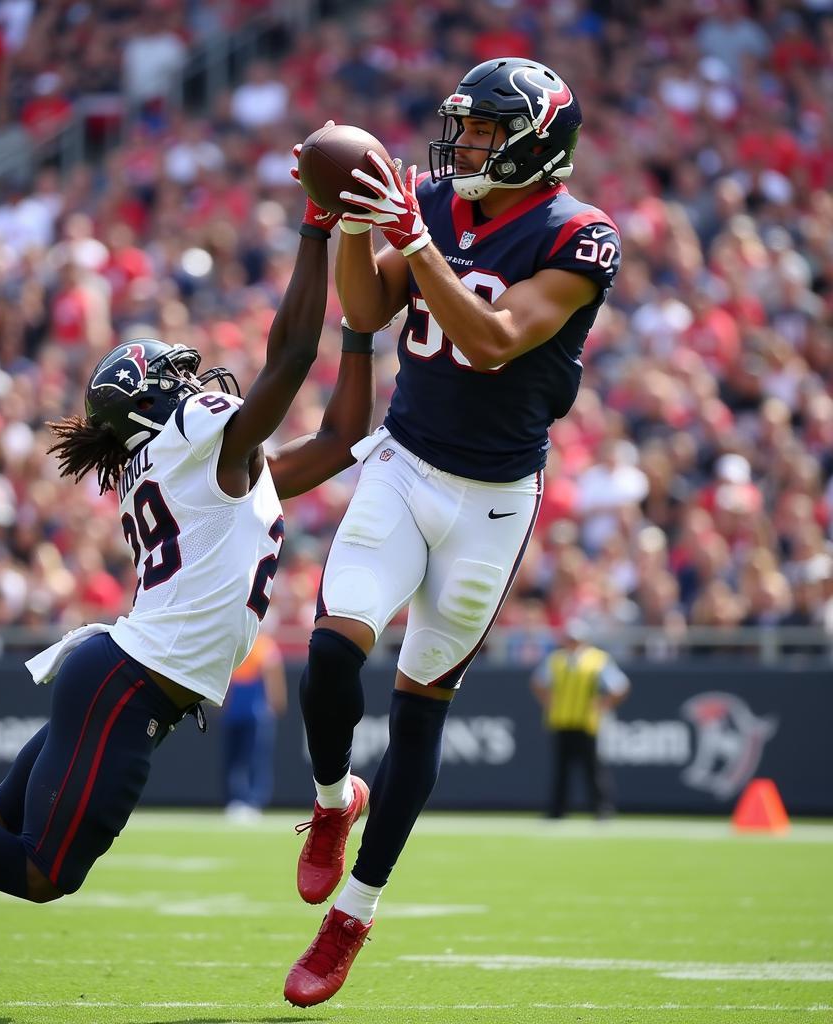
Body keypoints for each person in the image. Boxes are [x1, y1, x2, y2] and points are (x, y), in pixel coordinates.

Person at [0, 198, 375, 1010]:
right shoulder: (195, 451)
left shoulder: (211, 475)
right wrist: (317, 230)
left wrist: (359, 331)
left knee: (4, 811)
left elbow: (340, 437)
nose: (195, 382)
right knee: (44, 872)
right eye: (173, 380)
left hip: (123, 675)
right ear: (152, 406)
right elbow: (287, 365)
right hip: (129, 683)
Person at [284, 57, 623, 1007]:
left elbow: (492, 338)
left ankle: (353, 913)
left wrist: (413, 238)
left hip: (493, 500)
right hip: (403, 462)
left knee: (421, 703)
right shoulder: (437, 198)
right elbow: (367, 306)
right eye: (463, 127)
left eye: (482, 131)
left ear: (536, 141)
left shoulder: (581, 235)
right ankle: (327, 802)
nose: (463, 144)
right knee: (328, 655)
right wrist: (359, 225)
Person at [530, 619, 630, 819]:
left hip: (587, 722)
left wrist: (604, 705)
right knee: (561, 769)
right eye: (569, 639)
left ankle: (601, 809)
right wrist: (549, 702)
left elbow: (619, 686)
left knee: (593, 768)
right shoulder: (556, 660)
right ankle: (557, 811)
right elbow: (538, 682)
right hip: (561, 720)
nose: (572, 643)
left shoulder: (597, 660)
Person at [221, 629, 287, 821]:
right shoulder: (235, 645)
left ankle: (253, 801)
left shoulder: (265, 646)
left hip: (256, 714)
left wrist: (276, 704)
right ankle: (235, 800)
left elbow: (274, 679)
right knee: (233, 759)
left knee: (255, 759)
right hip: (234, 713)